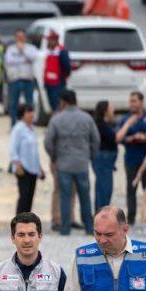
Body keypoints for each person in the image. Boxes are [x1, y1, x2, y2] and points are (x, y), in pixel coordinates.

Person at [44, 90, 99, 235]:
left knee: (65, 196)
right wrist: (90, 155)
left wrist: (55, 156)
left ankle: (65, 228)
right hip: (81, 163)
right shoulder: (87, 118)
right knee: (85, 196)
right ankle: (88, 227)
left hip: (63, 164)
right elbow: (96, 139)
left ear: (63, 102)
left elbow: (48, 141)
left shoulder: (57, 119)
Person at [115, 92, 146, 226]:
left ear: (141, 102)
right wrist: (129, 139)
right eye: (130, 101)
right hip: (131, 159)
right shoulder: (125, 119)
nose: (132, 104)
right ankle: (131, 219)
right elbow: (117, 138)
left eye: (134, 101)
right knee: (131, 190)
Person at [9, 103, 46, 214]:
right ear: (22, 114)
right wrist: (17, 164)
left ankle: (27, 222)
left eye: (32, 111)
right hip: (23, 168)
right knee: (23, 197)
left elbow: (34, 151)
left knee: (30, 198)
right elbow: (13, 149)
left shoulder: (32, 129)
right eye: (28, 112)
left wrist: (40, 168)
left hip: (33, 168)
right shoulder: (18, 129)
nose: (31, 114)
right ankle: (19, 222)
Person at [4, 28, 38, 125]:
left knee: (29, 103)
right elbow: (9, 61)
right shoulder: (11, 49)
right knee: (13, 103)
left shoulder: (31, 48)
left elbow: (32, 58)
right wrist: (23, 60)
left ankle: (28, 123)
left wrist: (23, 50)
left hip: (28, 79)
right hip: (15, 79)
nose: (20, 39)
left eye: (22, 37)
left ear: (25, 38)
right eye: (18, 37)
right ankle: (14, 124)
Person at [92, 100, 119, 212]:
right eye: (111, 107)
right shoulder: (101, 125)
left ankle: (100, 215)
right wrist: (129, 124)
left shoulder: (108, 124)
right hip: (103, 159)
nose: (113, 109)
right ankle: (101, 216)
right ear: (105, 111)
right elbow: (115, 138)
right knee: (104, 189)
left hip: (107, 160)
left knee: (104, 188)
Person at [40, 30, 71, 112]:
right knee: (52, 105)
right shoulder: (49, 51)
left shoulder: (61, 51)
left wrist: (62, 79)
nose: (48, 42)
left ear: (55, 40)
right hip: (49, 83)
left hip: (58, 84)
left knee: (58, 105)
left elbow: (66, 67)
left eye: (50, 40)